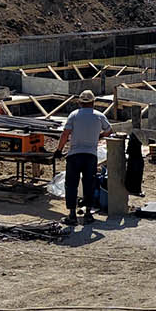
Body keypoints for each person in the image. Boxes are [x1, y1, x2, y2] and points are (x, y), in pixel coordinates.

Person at [55, 90, 111, 224]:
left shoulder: (74, 115)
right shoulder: (99, 116)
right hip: (90, 156)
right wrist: (100, 136)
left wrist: (59, 150)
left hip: (74, 156)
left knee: (71, 185)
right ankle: (88, 214)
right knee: (89, 185)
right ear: (93, 102)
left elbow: (65, 134)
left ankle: (72, 215)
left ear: (80, 102)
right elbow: (109, 131)